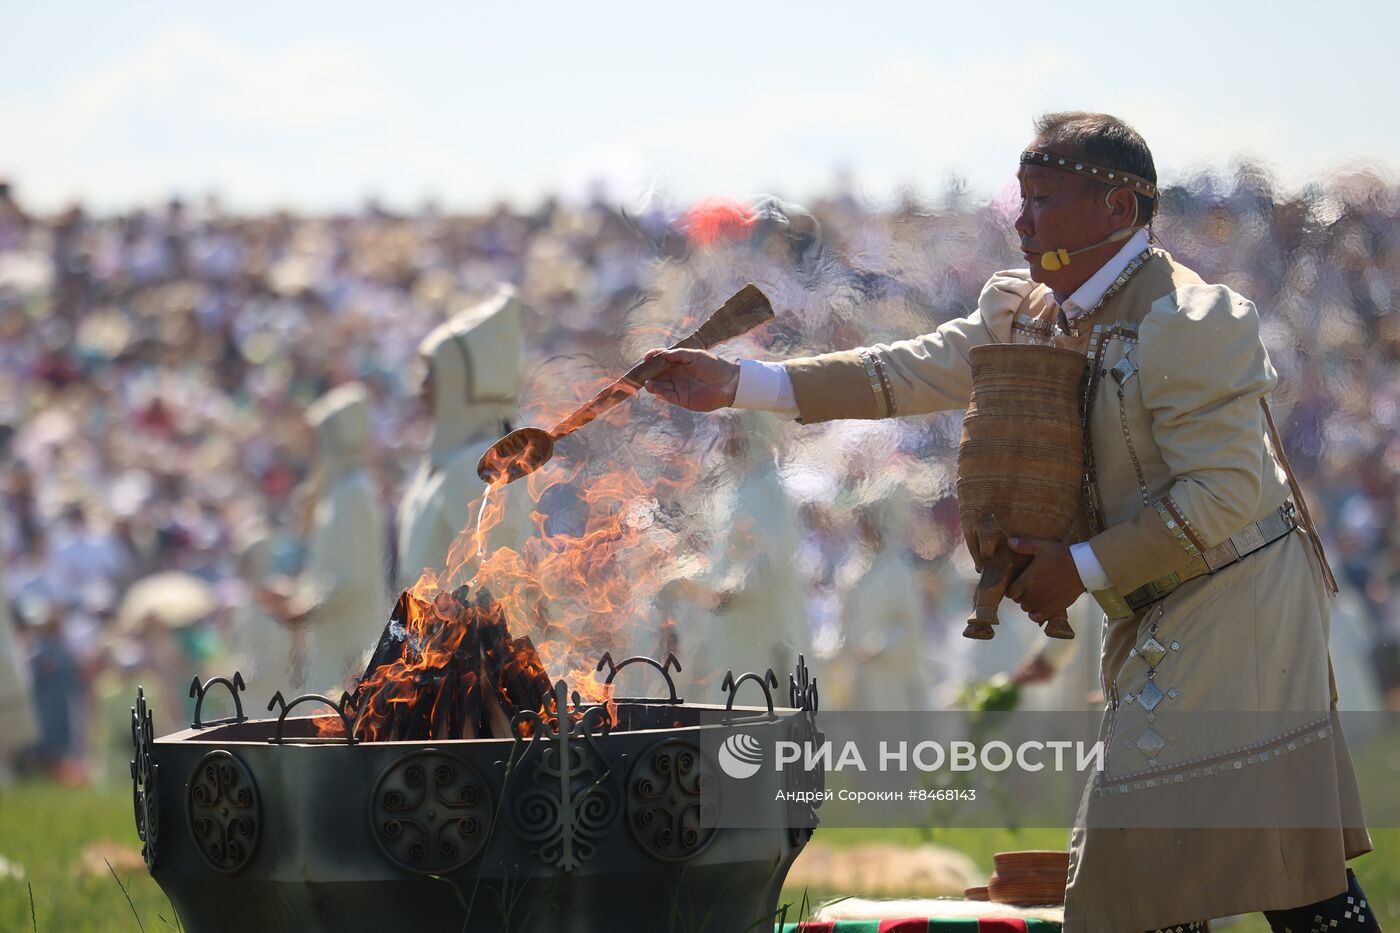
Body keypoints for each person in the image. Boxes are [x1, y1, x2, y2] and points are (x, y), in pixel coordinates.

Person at [642, 112, 1378, 931]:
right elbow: (901, 372)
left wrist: (1083, 566)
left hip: (1239, 598)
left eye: (1046, 201)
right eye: (1022, 200)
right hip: (1157, 603)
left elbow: (1229, 494)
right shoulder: (1028, 309)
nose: (1022, 222)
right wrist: (737, 381)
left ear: (1118, 212)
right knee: (1226, 857)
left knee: (1194, 855)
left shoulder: (1191, 321)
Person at [396, 286, 533, 593]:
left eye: (434, 371)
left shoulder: (479, 463)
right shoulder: (444, 463)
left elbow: (498, 584)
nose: (423, 384)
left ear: (460, 381)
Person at [262, 383, 388, 694]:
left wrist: (306, 604)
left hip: (349, 639)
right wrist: (299, 593)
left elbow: (353, 579)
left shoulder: (353, 492)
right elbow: (330, 572)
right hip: (333, 637)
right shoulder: (341, 491)